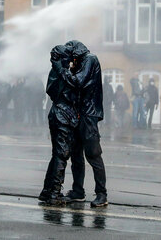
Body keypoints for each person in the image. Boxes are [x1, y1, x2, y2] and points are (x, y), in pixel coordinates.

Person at [54, 40, 108, 208]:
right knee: (76, 154)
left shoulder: (90, 59)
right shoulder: (79, 63)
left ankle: (102, 194)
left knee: (93, 154)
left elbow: (78, 82)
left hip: (88, 115)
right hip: (77, 115)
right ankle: (78, 191)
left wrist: (61, 70)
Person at [39, 45, 78, 206]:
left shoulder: (56, 71)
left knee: (57, 155)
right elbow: (73, 87)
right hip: (62, 115)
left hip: (57, 113)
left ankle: (47, 190)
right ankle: (54, 193)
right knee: (61, 155)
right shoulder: (61, 72)